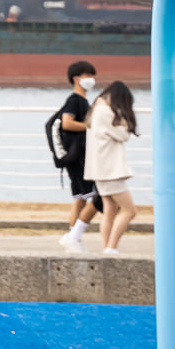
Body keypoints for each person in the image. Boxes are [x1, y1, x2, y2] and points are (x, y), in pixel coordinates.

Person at [84, 81, 138, 254]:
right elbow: (123, 135)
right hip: (110, 170)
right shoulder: (107, 113)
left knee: (110, 210)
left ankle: (107, 247)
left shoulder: (96, 110)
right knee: (130, 211)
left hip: (99, 170)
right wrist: (123, 118)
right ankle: (111, 247)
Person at [57, 61, 102, 253]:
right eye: (88, 75)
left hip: (81, 156)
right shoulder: (74, 100)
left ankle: (74, 237)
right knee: (85, 197)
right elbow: (67, 123)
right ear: (77, 79)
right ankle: (72, 237)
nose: (92, 79)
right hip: (78, 158)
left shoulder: (83, 100)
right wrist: (91, 126)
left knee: (81, 198)